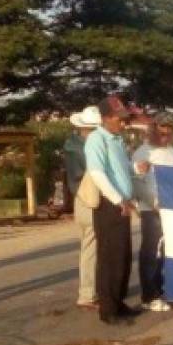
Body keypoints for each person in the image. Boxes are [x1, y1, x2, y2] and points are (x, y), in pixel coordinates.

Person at [85, 95, 141, 325]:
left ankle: (118, 301)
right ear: (107, 118)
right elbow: (98, 173)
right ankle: (108, 309)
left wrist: (137, 167)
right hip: (111, 204)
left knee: (123, 256)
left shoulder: (116, 140)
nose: (123, 122)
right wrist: (119, 199)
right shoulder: (96, 140)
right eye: (119, 118)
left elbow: (123, 167)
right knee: (110, 257)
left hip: (122, 203)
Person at [133, 115, 173, 313]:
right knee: (151, 253)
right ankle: (149, 296)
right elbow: (136, 183)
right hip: (151, 210)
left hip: (170, 209)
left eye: (169, 134)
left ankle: (160, 289)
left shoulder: (172, 152)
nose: (165, 138)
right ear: (152, 131)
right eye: (161, 134)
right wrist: (152, 203)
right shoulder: (143, 152)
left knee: (164, 252)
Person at [65, 106, 100, 311]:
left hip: (82, 197)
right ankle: (87, 293)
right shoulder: (83, 148)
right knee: (91, 245)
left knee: (90, 245)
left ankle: (90, 291)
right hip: (88, 197)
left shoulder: (73, 145)